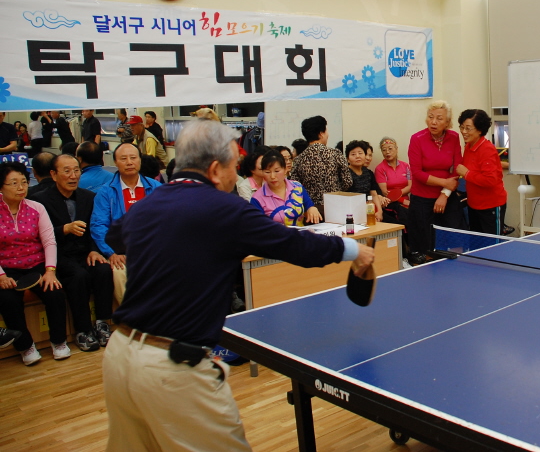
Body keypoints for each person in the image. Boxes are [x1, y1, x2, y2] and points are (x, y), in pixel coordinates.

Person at [101, 118, 374, 452]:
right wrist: (353, 249)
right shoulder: (224, 208)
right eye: (234, 165)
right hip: (171, 365)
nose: (238, 174)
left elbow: (116, 235)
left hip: (120, 357)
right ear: (215, 169)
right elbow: (296, 246)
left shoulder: (149, 204)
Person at [31, 154, 114, 351]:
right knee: (79, 276)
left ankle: (103, 323)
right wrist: (64, 229)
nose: (73, 176)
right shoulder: (39, 201)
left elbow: (96, 228)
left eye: (76, 170)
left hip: (84, 252)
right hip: (58, 255)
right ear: (53, 174)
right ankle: (82, 330)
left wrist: (95, 250)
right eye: (67, 171)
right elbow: (37, 236)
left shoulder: (89, 197)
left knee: (103, 269)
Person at [0, 162, 70, 365]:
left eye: (23, 182)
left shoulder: (36, 208)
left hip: (37, 264)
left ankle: (59, 342)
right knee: (8, 300)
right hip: (7, 269)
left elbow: (49, 241)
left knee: (55, 292)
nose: (21, 187)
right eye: (14, 183)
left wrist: (50, 271)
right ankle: (25, 346)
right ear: (1, 187)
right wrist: (1, 276)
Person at [91, 143, 162, 303]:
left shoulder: (157, 188)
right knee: (119, 270)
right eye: (123, 159)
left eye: (133, 158)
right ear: (115, 162)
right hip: (122, 252)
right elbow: (99, 226)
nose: (129, 162)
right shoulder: (105, 192)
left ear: (140, 160)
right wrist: (111, 253)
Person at [407, 101, 464, 264]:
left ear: (447, 122)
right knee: (425, 247)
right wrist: (444, 183)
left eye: (439, 118)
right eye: (430, 117)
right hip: (421, 199)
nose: (433, 122)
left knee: (455, 240)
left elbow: (456, 169)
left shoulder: (453, 137)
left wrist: (444, 194)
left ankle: (455, 273)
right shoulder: (417, 139)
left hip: (447, 197)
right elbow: (417, 173)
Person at [455, 109, 508, 235]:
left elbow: (490, 180)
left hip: (491, 206)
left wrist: (467, 173)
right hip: (474, 205)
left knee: (492, 246)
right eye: (462, 127)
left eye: (468, 128)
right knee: (477, 244)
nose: (463, 132)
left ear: (479, 130)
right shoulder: (468, 146)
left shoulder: (487, 149)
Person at [290, 116, 352, 217]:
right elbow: (347, 181)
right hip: (335, 206)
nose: (328, 134)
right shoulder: (335, 154)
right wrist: (335, 191)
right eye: (326, 131)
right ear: (321, 133)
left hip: (310, 211)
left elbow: (295, 186)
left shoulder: (299, 159)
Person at [251, 150, 320, 225]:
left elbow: (309, 205)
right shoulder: (257, 198)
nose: (272, 176)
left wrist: (312, 209)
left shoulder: (297, 187)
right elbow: (257, 226)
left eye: (277, 171)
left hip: (300, 234)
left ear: (285, 169)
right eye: (267, 172)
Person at [345, 140, 385, 222]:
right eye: (353, 154)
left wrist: (380, 211)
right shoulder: (345, 173)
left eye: (360, 153)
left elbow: (374, 194)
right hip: (352, 211)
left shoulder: (369, 173)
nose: (357, 156)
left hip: (370, 209)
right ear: (347, 159)